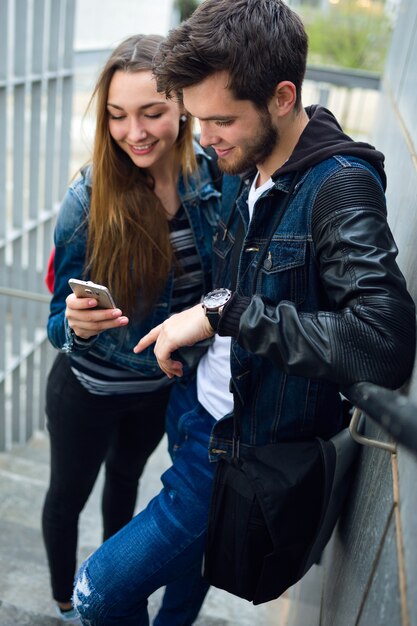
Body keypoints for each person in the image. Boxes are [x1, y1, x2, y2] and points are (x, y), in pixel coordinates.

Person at [73, 1, 416, 624]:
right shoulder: (248, 164)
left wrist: (220, 314)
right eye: (198, 120)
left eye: (222, 120)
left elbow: (383, 341)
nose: (205, 138)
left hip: (243, 448)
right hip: (194, 410)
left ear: (282, 97)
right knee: (186, 576)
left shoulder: (338, 185)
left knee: (97, 589)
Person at [42, 33, 220, 624]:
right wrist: (75, 326)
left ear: (183, 108)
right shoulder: (88, 194)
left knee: (125, 484)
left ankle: (116, 594)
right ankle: (69, 601)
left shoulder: (217, 183)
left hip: (158, 393)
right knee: (68, 495)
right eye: (117, 116)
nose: (134, 132)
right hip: (85, 390)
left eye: (152, 112)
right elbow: (54, 322)